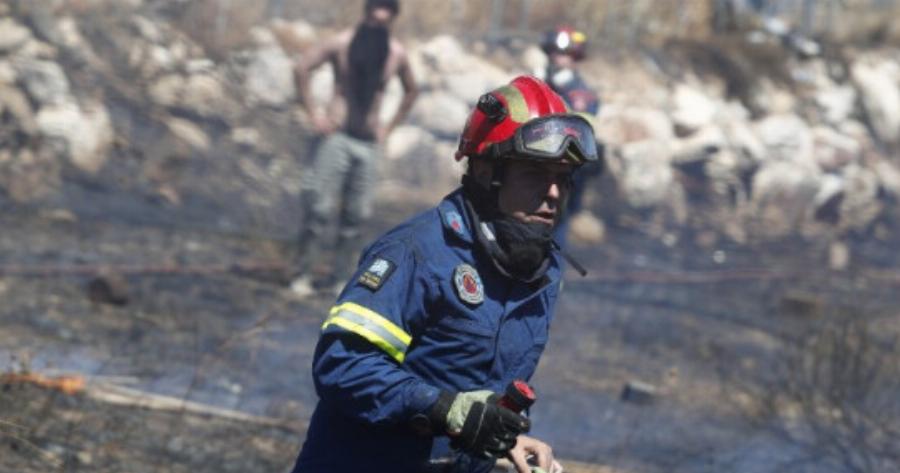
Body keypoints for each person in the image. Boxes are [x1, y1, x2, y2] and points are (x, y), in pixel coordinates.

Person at [290, 76, 601, 473]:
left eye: (564, 179)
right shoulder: (418, 252)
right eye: (536, 176)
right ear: (489, 172)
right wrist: (444, 409)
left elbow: (479, 398)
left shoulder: (540, 272)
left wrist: (505, 439)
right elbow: (342, 364)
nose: (554, 193)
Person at [291, 0, 419, 294]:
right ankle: (302, 273)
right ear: (366, 12)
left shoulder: (396, 54)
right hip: (336, 136)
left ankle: (339, 278)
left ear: (393, 18)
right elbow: (302, 67)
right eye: (375, 11)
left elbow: (412, 90)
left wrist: (389, 127)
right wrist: (314, 114)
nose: (379, 18)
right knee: (319, 208)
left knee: (356, 215)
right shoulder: (342, 43)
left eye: (386, 14)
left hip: (368, 142)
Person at [538, 27, 603, 248]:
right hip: (539, 161)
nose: (557, 58)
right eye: (552, 53)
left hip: (566, 165)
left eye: (563, 54)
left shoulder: (579, 94)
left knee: (556, 222)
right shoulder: (543, 82)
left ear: (575, 59)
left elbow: (580, 128)